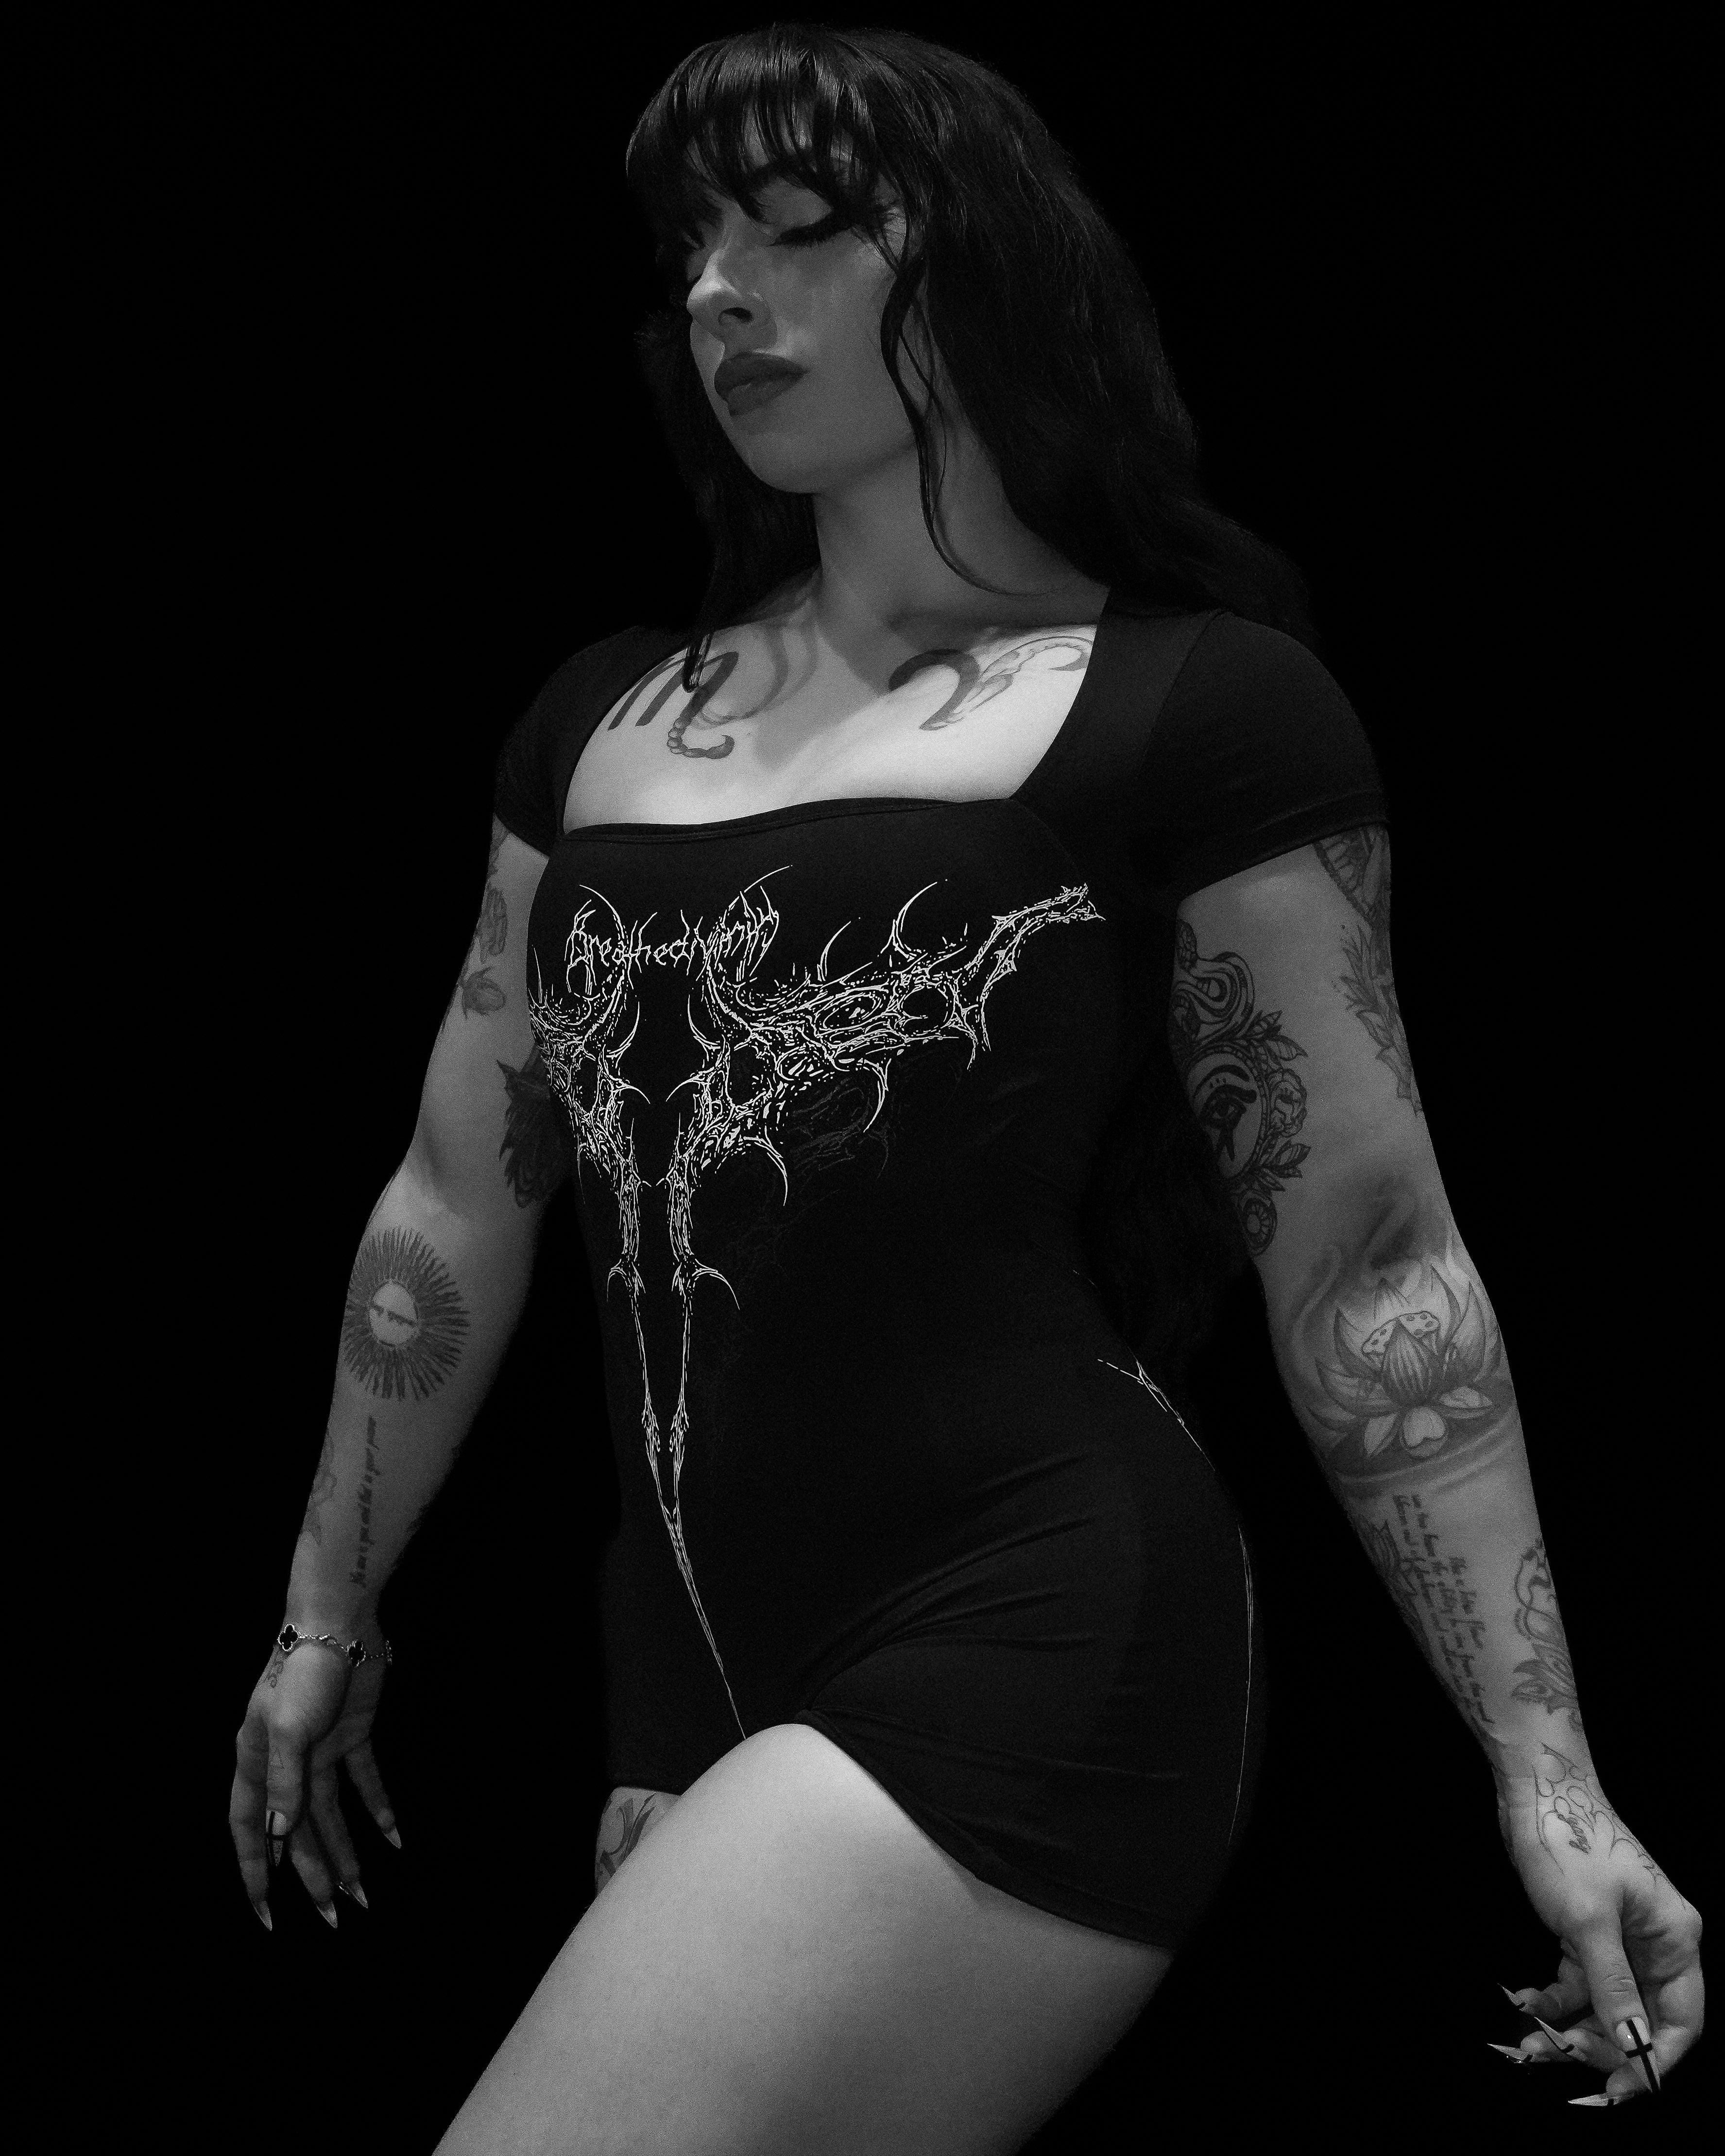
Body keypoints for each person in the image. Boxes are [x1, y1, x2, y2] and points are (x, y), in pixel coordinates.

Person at [228, 24, 1703, 2151]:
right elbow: (453, 1202)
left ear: (984, 261)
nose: (718, 290)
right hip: (704, 1674)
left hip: (1033, 1620)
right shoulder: (598, 727)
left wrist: (1548, 1778)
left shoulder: (1201, 712)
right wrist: (329, 1603)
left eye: (795, 228)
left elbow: (1373, 1263)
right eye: (693, 245)